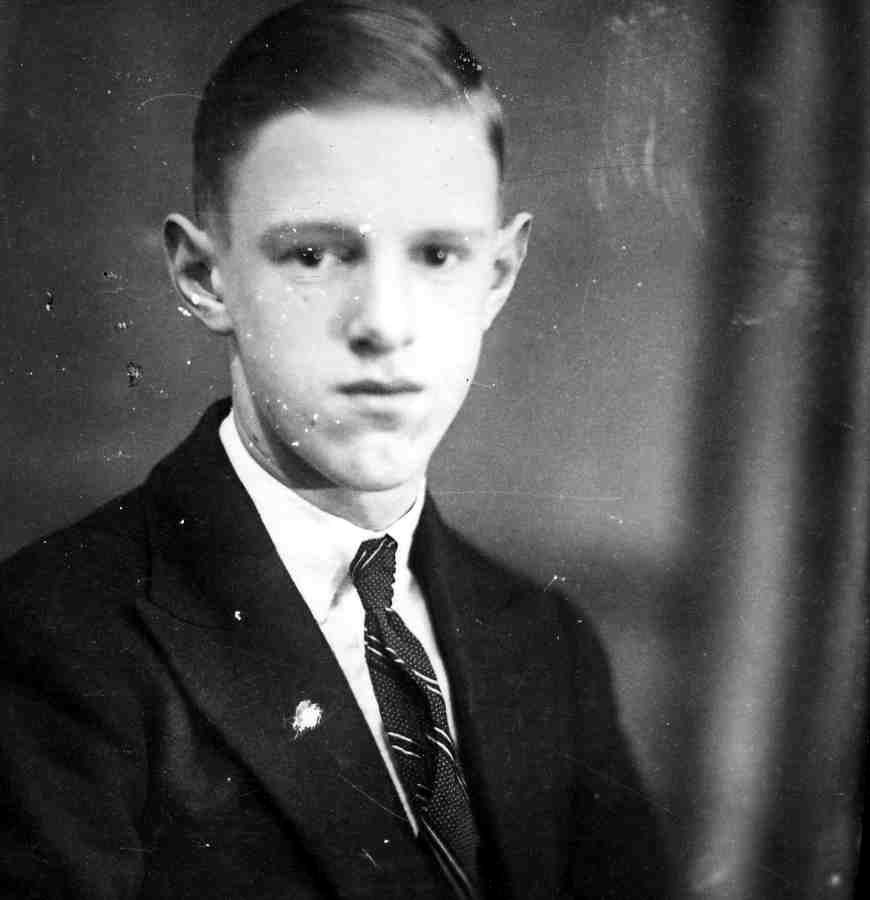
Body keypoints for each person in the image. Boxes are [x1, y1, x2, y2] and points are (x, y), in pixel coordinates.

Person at [0, 2, 670, 897]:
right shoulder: (58, 643)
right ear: (204, 277)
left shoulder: (549, 649)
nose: (384, 324)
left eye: (438, 255)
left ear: (498, 275)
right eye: (314, 255)